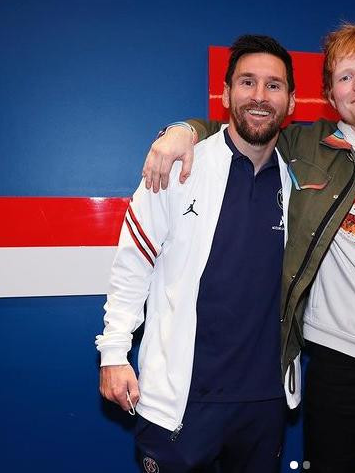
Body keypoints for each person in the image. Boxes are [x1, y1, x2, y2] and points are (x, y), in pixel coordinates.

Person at [145, 24, 355, 473]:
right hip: (335, 371)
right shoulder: (307, 146)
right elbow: (239, 128)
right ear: (331, 94)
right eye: (346, 76)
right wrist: (180, 131)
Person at [95, 34, 298, 473]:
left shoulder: (303, 181)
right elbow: (133, 262)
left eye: (273, 85)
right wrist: (113, 353)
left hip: (265, 401)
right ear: (225, 94)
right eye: (247, 82)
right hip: (181, 401)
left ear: (292, 101)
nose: (259, 97)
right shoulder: (180, 165)